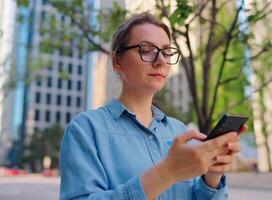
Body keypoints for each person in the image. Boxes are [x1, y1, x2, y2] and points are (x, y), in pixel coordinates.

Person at [60, 12, 247, 200]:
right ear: (118, 62)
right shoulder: (85, 129)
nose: (161, 61)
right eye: (147, 49)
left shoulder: (179, 131)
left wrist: (212, 176)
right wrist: (165, 173)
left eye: (166, 52)